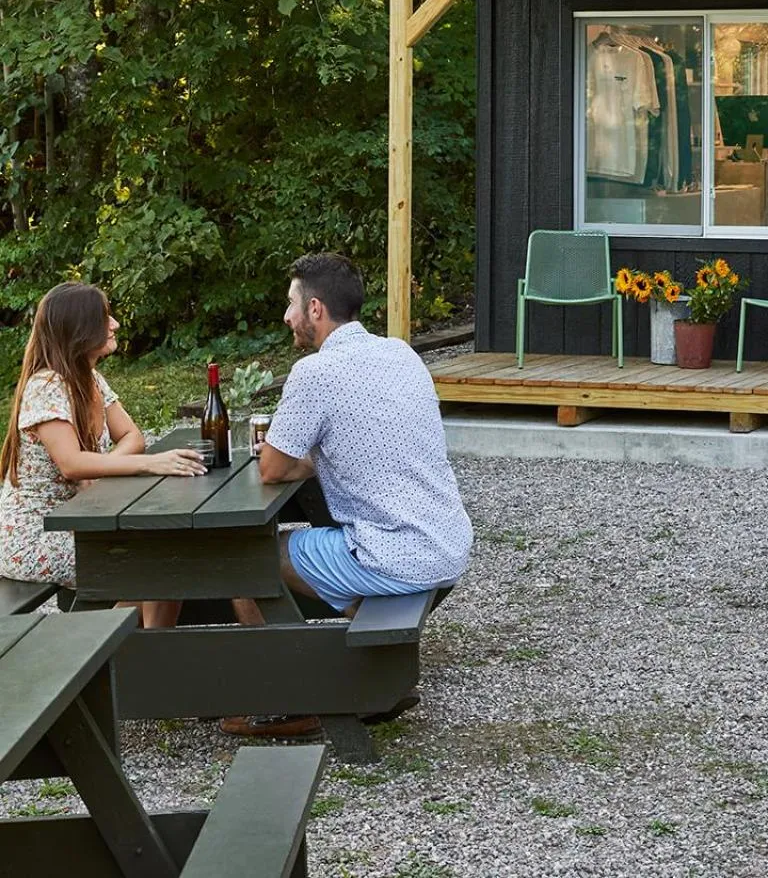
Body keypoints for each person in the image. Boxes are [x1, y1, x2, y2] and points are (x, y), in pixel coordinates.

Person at [220, 252, 472, 739]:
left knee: (244, 558)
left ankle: (284, 698)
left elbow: (272, 467)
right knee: (329, 533)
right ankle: (366, 673)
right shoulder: (401, 353)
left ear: (316, 309)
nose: (286, 316)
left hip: (396, 555)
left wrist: (297, 457)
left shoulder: (315, 374)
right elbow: (354, 446)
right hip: (446, 542)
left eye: (291, 304)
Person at [0, 282, 206, 627]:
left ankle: (128, 652)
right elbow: (72, 464)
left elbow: (132, 436)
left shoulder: (89, 378)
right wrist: (147, 464)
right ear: (80, 329)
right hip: (37, 535)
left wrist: (106, 467)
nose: (115, 325)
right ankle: (124, 657)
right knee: (156, 564)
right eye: (104, 317)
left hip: (85, 519)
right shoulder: (46, 386)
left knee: (167, 552)